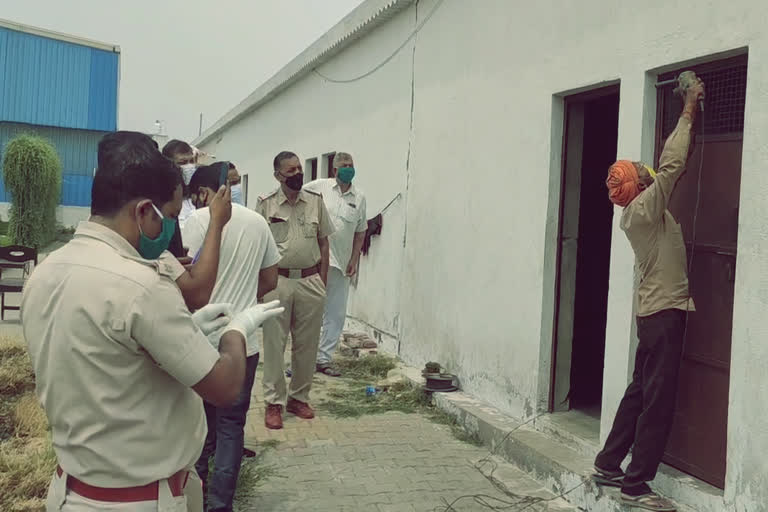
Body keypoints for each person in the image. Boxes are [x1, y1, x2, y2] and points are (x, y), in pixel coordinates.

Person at [21, 131, 284, 512]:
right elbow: (225, 387)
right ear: (145, 211)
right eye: (172, 217)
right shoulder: (141, 285)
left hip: (71, 490)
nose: (172, 231)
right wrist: (236, 329)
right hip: (139, 497)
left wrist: (188, 331)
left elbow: (108, 359)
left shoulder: (46, 272)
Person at [593, 78, 705, 512]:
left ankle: (608, 462)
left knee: (640, 391)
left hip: (652, 314)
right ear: (639, 186)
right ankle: (635, 485)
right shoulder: (644, 209)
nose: (647, 167)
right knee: (657, 400)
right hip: (663, 315)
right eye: (643, 170)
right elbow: (672, 165)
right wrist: (689, 107)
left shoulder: (639, 212)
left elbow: (668, 167)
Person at [182, 165, 281, 512]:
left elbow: (185, 280)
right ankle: (220, 505)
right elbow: (270, 278)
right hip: (243, 341)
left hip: (200, 338)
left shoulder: (194, 222)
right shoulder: (257, 221)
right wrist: (244, 302)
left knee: (198, 424)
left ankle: (194, 496)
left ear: (204, 192)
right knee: (231, 425)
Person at [256, 151, 335, 429]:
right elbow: (259, 249)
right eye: (290, 171)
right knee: (274, 345)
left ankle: (299, 398)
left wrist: (322, 281)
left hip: (310, 281)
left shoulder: (315, 202)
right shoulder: (265, 205)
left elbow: (324, 243)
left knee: (307, 345)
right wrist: (260, 287)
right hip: (277, 282)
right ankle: (274, 403)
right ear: (278, 176)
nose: (297, 174)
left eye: (299, 168)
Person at [101, 135, 221, 311]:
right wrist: (217, 221)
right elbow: (197, 295)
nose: (188, 167)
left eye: (191, 161)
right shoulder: (142, 277)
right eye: (182, 163)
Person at [304, 152, 367, 376]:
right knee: (310, 312)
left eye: (351, 164)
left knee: (336, 313)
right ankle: (303, 360)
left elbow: (360, 232)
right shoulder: (318, 187)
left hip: (341, 263)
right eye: (344, 165)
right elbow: (295, 198)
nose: (348, 168)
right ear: (334, 170)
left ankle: (324, 359)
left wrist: (354, 260)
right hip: (315, 261)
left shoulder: (359, 197)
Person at [162, 139, 198, 229]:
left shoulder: (198, 194)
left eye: (192, 161)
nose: (190, 166)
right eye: (183, 163)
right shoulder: (164, 200)